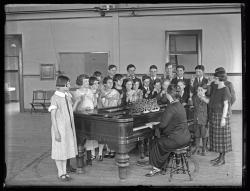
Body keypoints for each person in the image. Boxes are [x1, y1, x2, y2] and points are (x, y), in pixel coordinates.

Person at [145, 84, 191, 177]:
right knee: (163, 138)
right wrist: (158, 124)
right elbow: (172, 122)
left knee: (156, 141)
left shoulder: (171, 107)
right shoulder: (179, 105)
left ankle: (156, 168)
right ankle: (163, 166)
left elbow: (162, 125)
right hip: (186, 138)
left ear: (168, 95)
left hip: (177, 140)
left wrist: (153, 125)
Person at [48, 75, 78, 181]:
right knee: (59, 150)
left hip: (68, 128)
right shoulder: (55, 98)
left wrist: (77, 101)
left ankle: (65, 171)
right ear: (63, 85)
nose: (70, 85)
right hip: (60, 128)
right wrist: (56, 131)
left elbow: (71, 111)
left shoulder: (67, 96)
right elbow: (53, 116)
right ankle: (60, 172)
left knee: (65, 149)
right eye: (68, 84)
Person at [199, 70, 232, 166]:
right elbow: (210, 102)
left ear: (220, 79)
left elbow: (226, 105)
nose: (214, 80)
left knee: (222, 139)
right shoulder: (216, 88)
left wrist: (223, 118)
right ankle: (220, 157)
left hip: (221, 116)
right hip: (214, 115)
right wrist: (202, 97)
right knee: (216, 139)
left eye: (215, 78)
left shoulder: (225, 89)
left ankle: (222, 159)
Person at [73, 74, 99, 165]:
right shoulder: (77, 92)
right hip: (82, 117)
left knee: (90, 137)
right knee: (83, 137)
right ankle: (81, 158)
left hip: (90, 115)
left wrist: (95, 97)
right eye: (85, 81)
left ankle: (89, 158)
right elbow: (76, 108)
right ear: (80, 82)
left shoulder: (90, 91)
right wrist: (83, 108)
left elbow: (94, 104)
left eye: (88, 81)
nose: (87, 83)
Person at [191, 84, 209, 156]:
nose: (200, 91)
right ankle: (197, 148)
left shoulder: (207, 98)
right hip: (196, 118)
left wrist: (202, 97)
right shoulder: (195, 97)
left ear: (205, 90)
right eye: (198, 90)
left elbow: (208, 104)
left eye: (201, 90)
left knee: (204, 135)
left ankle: (204, 149)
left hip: (204, 119)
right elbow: (194, 105)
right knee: (197, 134)